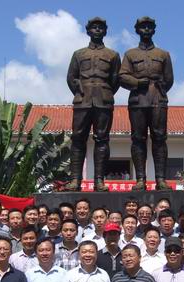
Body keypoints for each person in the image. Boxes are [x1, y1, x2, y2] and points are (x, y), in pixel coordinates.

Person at [65, 17, 120, 191]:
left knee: (102, 139)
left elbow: (115, 80)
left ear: (105, 31)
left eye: (100, 28)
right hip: (83, 100)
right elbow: (71, 77)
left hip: (103, 100)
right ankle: (75, 180)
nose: (97, 30)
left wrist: (104, 92)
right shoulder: (79, 54)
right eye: (94, 27)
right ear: (88, 31)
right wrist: (81, 90)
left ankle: (99, 180)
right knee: (78, 138)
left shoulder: (113, 55)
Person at [120, 17, 174, 191]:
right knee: (138, 139)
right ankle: (140, 179)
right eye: (143, 27)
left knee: (160, 138)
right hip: (138, 100)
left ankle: (161, 179)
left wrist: (160, 88)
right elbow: (122, 76)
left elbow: (169, 79)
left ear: (154, 30)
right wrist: (137, 83)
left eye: (149, 27)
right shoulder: (130, 54)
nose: (146, 30)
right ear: (137, 30)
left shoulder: (163, 54)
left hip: (158, 99)